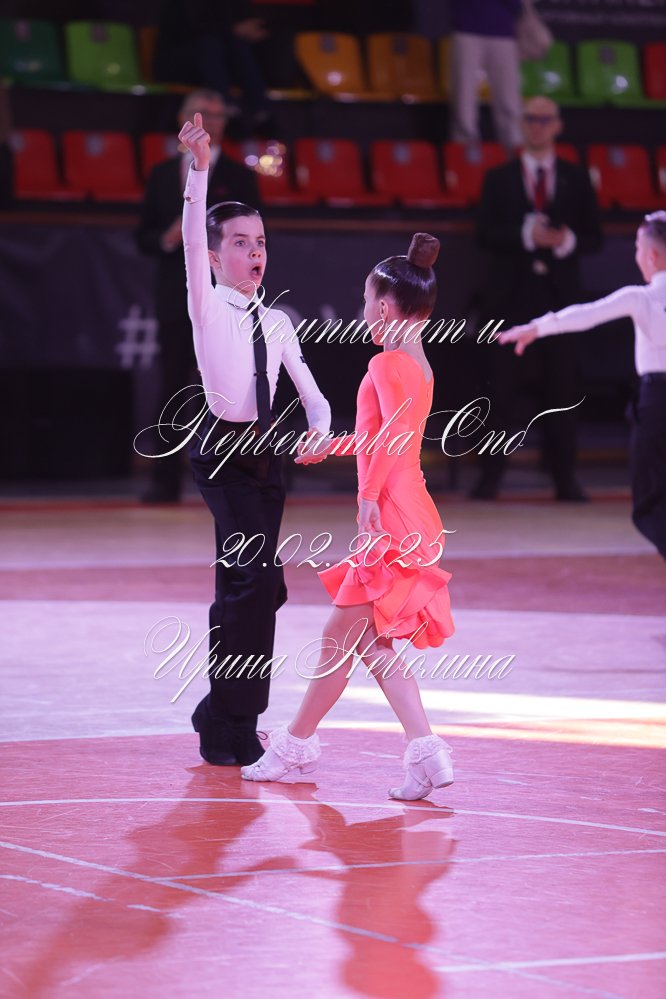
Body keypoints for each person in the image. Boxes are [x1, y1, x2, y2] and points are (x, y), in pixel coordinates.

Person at [241, 233, 456, 800]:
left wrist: (365, 501)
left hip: (391, 518)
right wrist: (331, 446)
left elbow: (388, 442)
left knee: (340, 639)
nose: (363, 311)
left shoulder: (386, 362)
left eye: (365, 301)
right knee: (371, 643)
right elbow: (384, 438)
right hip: (413, 511)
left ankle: (293, 746)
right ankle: (426, 751)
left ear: (383, 306)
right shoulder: (418, 363)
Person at [179, 111, 331, 766]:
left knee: (257, 586)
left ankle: (219, 709)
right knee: (253, 583)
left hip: (267, 454)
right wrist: (200, 170)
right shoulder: (207, 305)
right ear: (216, 258)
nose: (254, 251)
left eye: (260, 240)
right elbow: (192, 236)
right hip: (221, 450)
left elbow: (314, 398)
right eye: (239, 242)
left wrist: (320, 431)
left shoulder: (278, 322)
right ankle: (232, 727)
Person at [500, 212, 666, 560]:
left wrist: (536, 328)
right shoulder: (642, 297)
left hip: (656, 402)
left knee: (649, 499)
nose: (636, 255)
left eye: (638, 248)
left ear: (652, 255)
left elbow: (587, 314)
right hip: (652, 399)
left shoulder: (642, 298)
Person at [472, 95, 603, 501]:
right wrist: (525, 235)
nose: (538, 126)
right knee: (499, 390)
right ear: (522, 124)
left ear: (557, 125)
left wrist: (566, 240)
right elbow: (484, 234)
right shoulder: (499, 177)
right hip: (509, 298)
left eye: (545, 119)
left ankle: (564, 478)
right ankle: (490, 477)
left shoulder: (577, 177)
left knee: (563, 389)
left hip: (560, 299)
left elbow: (595, 237)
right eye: (531, 119)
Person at [136, 90, 261, 503]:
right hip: (176, 297)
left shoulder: (241, 177)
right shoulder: (160, 174)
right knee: (173, 385)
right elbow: (143, 236)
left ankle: (229, 476)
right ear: (183, 118)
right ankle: (164, 481)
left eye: (219, 115)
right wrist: (168, 238)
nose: (213, 121)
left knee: (225, 387)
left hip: (224, 298)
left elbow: (252, 237)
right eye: (203, 113)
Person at [449, 0, 523, 153]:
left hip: (503, 32)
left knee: (509, 102)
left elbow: (518, 5)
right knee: (464, 99)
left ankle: (515, 153)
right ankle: (466, 155)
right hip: (466, 29)